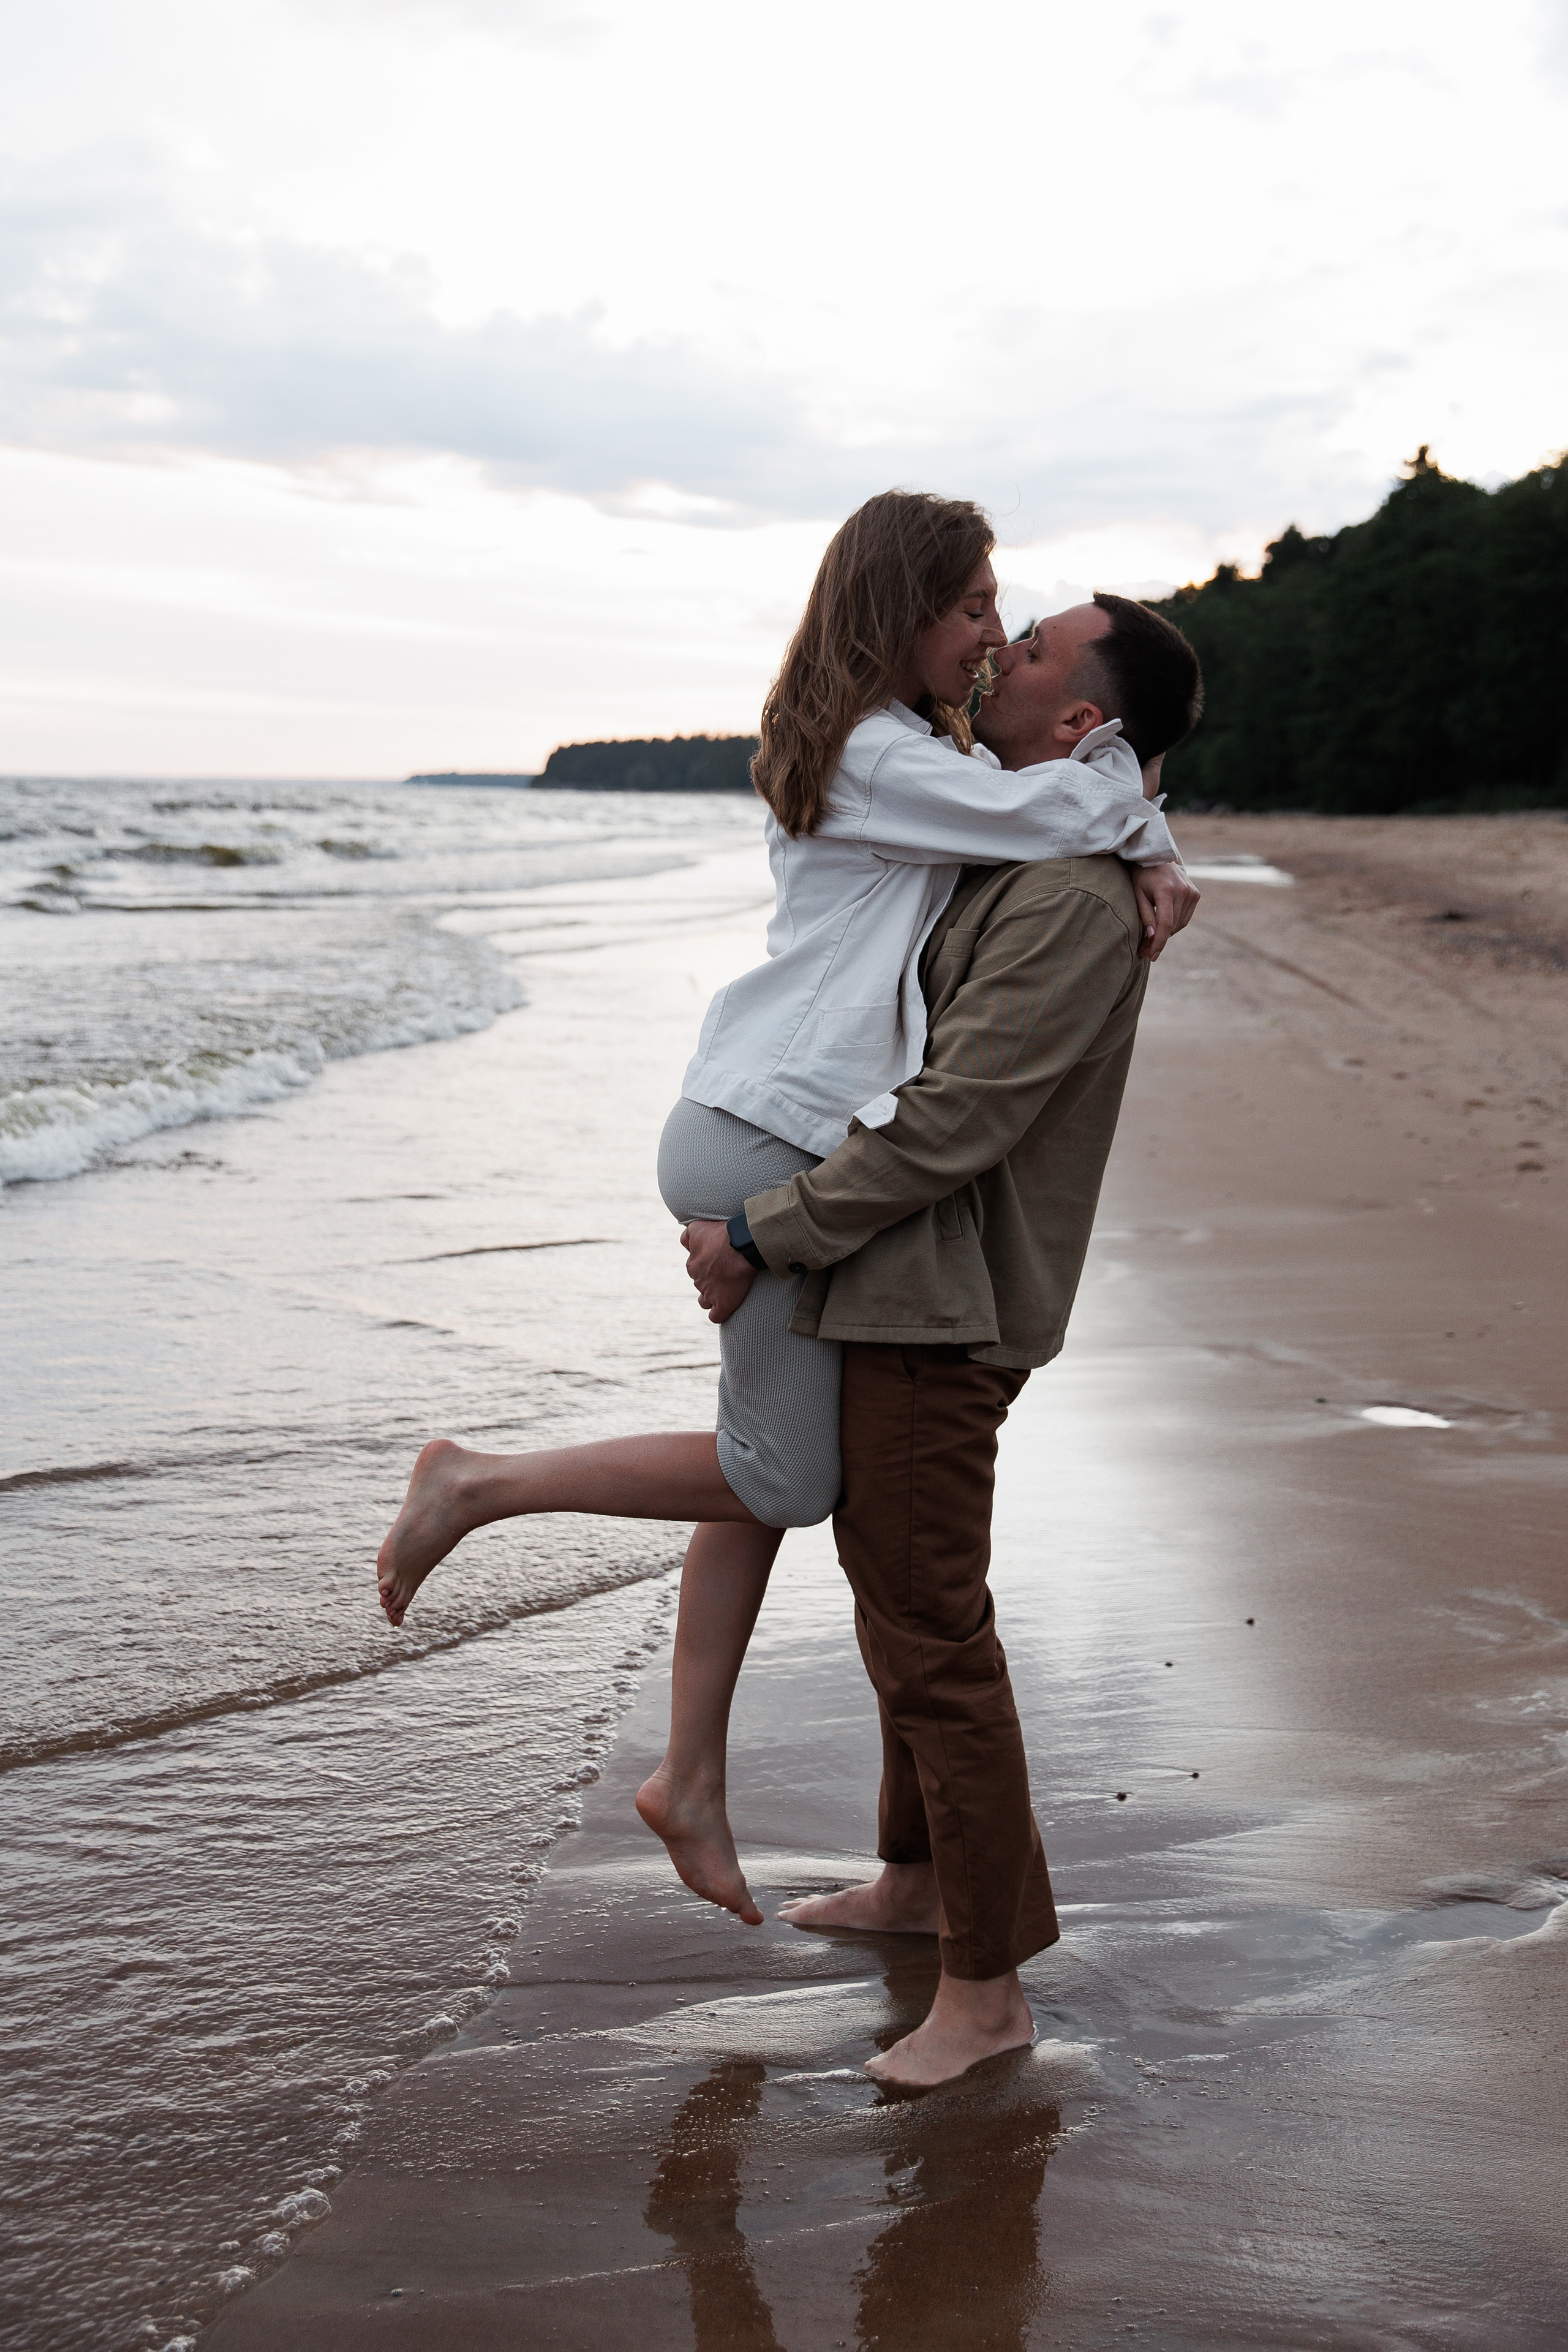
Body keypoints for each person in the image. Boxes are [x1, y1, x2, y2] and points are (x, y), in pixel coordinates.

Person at [375, 489, 1193, 1928]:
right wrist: (1147, 836)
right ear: (898, 611)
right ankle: (477, 1485)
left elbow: (1056, 800)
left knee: (767, 1463)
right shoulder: (882, 759)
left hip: (772, 1127)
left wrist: (1147, 843)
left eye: (1012, 621)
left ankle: (690, 1774)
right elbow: (1057, 799)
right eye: (972, 611)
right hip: (769, 1139)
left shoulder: (905, 749)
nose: (993, 641)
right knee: (785, 1478)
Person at [677, 589, 1205, 2086]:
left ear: (1080, 723)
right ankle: (917, 1888)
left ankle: (985, 1992)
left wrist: (767, 1230)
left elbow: (950, 1125)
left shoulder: (1062, 898)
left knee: (933, 1635)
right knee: (898, 1610)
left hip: (946, 1302)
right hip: (906, 1284)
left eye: (1028, 649)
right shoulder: (1038, 836)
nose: (998, 654)